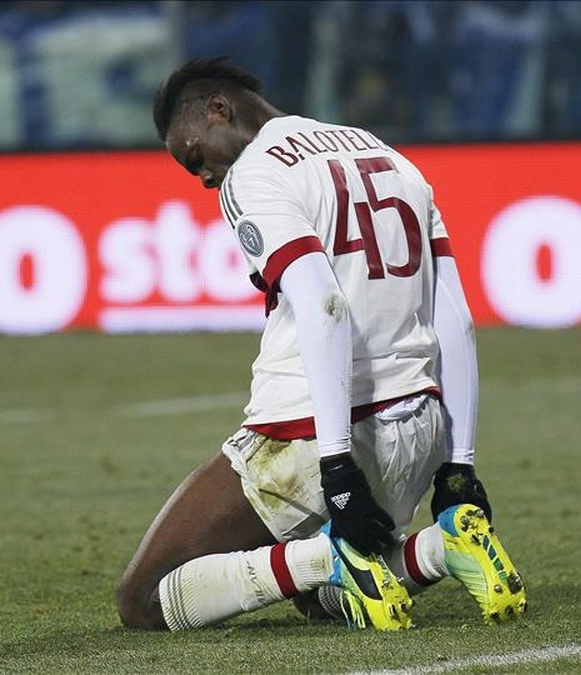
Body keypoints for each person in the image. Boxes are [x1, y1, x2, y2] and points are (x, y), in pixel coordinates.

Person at [116, 58, 527, 631]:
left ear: (219, 109)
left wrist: (336, 466)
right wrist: (460, 468)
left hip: (312, 436)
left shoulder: (254, 173)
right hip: (418, 428)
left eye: (194, 158)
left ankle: (328, 552)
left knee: (144, 600)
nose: (204, 177)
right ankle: (441, 549)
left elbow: (323, 306)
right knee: (318, 601)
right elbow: (455, 321)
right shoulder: (386, 154)